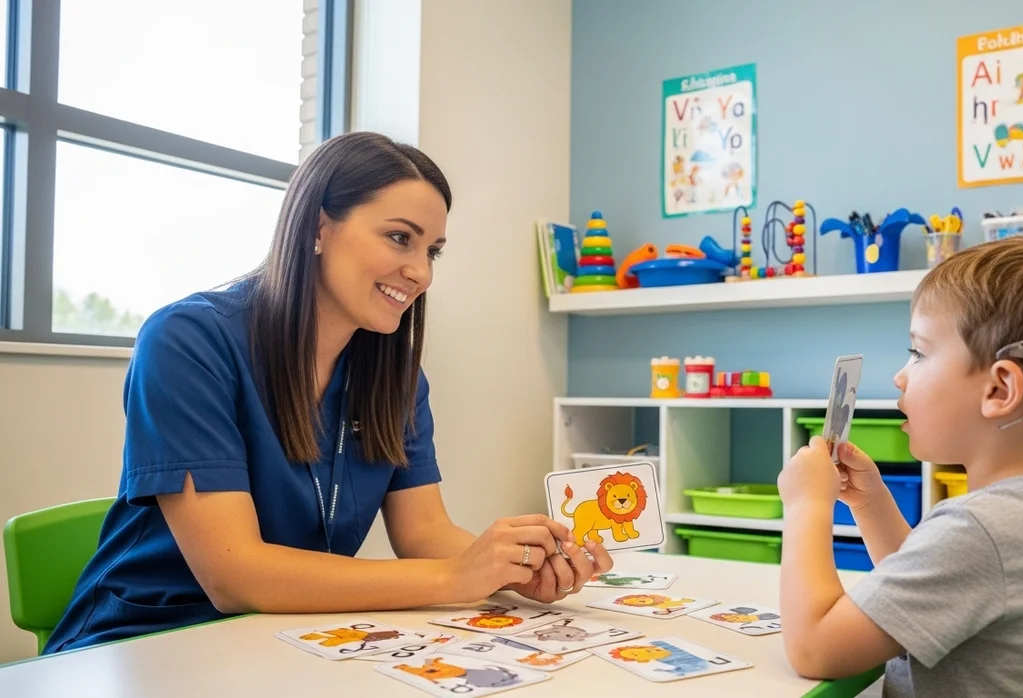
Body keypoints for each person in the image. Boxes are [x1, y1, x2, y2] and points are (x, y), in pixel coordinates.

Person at [44, 131, 612, 654]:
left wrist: (513, 572)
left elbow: (424, 532)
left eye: (432, 250)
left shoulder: (396, 377)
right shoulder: (188, 341)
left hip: (286, 641)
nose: (421, 273)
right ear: (318, 228)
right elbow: (234, 576)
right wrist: (456, 577)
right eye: (399, 238)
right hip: (143, 646)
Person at [777, 236, 1023, 696]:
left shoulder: (983, 529)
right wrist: (872, 502)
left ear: (1000, 390)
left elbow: (816, 650)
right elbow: (934, 586)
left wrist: (805, 507)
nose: (900, 375)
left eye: (918, 353)